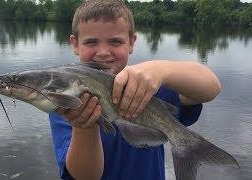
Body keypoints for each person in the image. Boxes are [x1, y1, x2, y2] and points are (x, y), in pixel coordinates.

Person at [48, 0, 221, 179]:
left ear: (131, 42)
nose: (103, 52)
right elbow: (87, 177)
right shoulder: (66, 104)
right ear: (75, 44)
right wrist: (84, 127)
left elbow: (211, 87)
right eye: (91, 42)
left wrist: (162, 70)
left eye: (115, 42)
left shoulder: (149, 87)